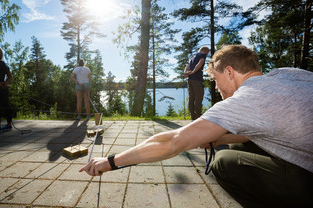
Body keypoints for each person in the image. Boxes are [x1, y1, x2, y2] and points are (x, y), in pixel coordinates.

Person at [80, 45, 313, 208]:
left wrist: (110, 162)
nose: (216, 88)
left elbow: (171, 142)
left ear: (230, 72)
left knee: (224, 162)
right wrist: (219, 139)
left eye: (215, 80)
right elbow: (270, 128)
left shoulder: (246, 99)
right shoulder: (287, 73)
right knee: (231, 144)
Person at [184, 46, 210, 120]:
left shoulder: (192, 56)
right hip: (197, 79)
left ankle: (193, 117)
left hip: (190, 80)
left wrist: (186, 73)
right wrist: (193, 71)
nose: (206, 55)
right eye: (207, 53)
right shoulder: (202, 54)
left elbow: (187, 66)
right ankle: (198, 117)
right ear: (204, 51)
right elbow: (200, 63)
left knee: (191, 98)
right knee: (198, 98)